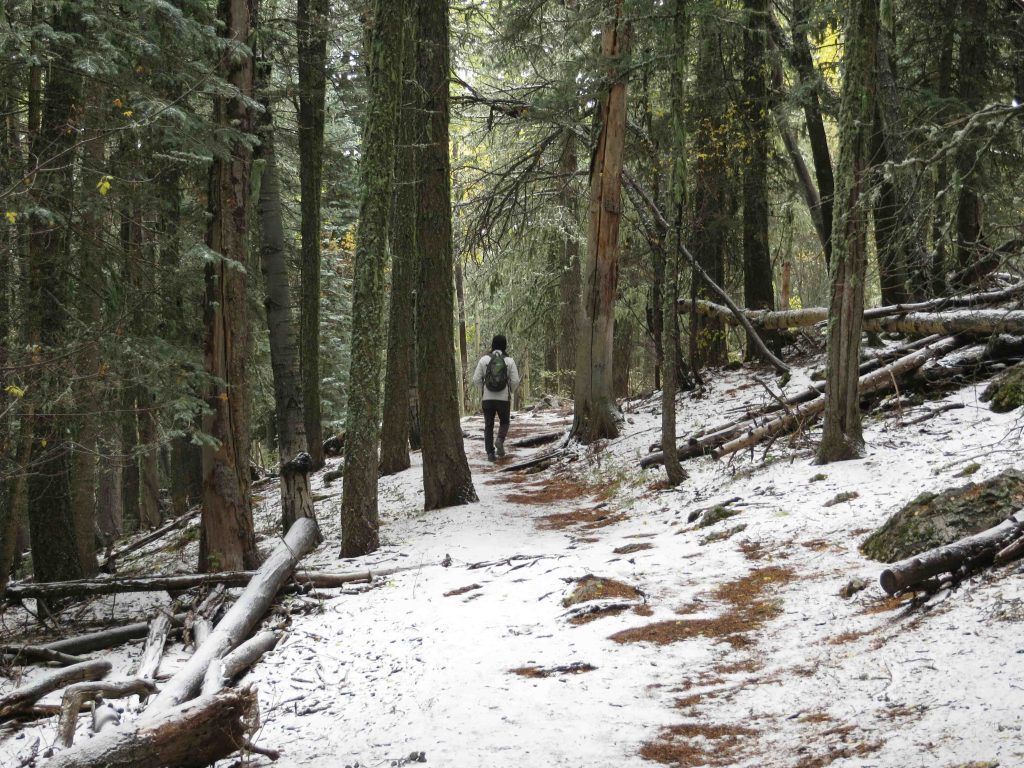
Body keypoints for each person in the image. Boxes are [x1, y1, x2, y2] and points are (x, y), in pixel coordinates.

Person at [471, 334, 521, 461]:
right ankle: (500, 440)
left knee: (489, 425)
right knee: (504, 422)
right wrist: (510, 390)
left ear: (492, 345)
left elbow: (476, 379)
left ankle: (490, 454)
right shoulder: (509, 361)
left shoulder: (484, 360)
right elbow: (515, 380)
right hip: (503, 398)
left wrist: (483, 389)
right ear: (505, 345)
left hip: (487, 399)